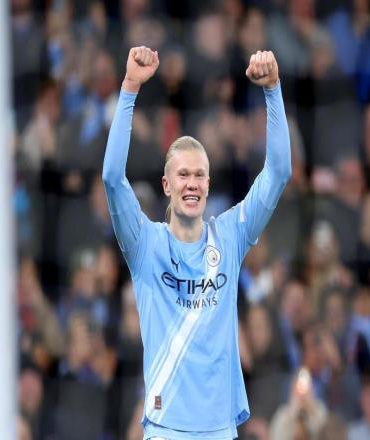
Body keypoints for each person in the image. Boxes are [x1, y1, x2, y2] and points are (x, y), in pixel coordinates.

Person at [102, 45, 291, 439]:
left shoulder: (231, 235)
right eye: (183, 175)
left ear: (208, 183)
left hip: (220, 429)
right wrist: (130, 87)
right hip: (166, 428)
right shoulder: (144, 244)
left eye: (200, 175)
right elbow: (112, 178)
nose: (192, 184)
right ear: (166, 185)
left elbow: (278, 172)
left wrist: (273, 90)